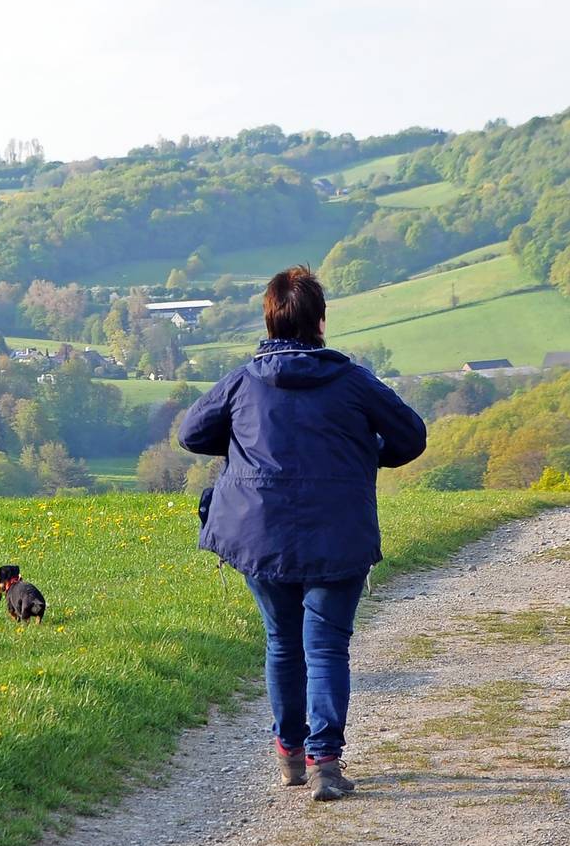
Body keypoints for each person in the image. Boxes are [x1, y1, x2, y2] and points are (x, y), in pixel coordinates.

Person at [178, 266, 426, 800]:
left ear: (269, 320)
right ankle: (325, 764)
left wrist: (244, 443)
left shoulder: (244, 382)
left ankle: (290, 755)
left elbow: (192, 433)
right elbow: (411, 437)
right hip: (338, 533)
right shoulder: (353, 381)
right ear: (320, 320)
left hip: (258, 535)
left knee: (283, 643)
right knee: (328, 647)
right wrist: (366, 454)